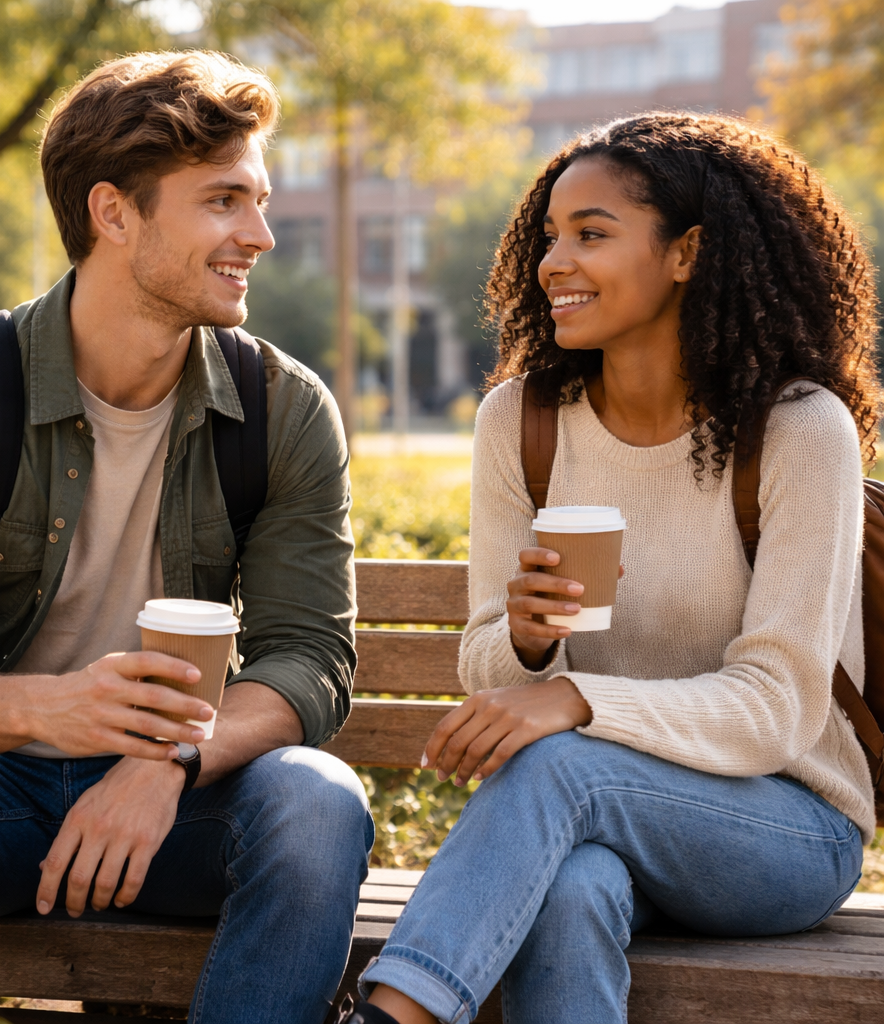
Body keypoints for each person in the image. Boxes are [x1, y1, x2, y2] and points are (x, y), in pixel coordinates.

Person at [0, 51, 372, 1024]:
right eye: (224, 200)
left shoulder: (284, 408)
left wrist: (160, 762)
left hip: (181, 801)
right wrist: (54, 709)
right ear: (113, 212)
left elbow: (308, 659)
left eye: (258, 200)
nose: (259, 234)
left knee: (317, 801)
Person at [335, 112, 880, 1024]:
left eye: (592, 235)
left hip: (783, 826)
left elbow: (777, 710)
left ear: (686, 254)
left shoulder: (796, 429)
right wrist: (526, 640)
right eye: (550, 237)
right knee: (572, 889)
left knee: (562, 768)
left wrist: (578, 704)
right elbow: (491, 673)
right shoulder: (523, 422)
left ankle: (387, 1018)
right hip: (592, 820)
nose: (554, 262)